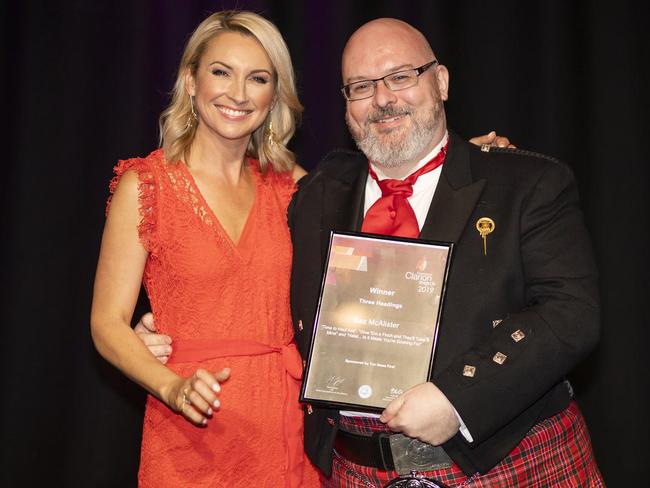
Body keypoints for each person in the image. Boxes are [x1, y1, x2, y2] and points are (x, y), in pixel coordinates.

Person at [285, 18, 605, 486]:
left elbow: (572, 313)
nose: (383, 99)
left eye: (401, 76)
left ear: (441, 81)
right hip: (359, 471)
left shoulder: (527, 184)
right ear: (345, 102)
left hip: (512, 465)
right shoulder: (315, 193)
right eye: (361, 86)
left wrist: (458, 398)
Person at [90, 10, 321, 487]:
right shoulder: (146, 185)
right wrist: (171, 388)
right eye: (221, 72)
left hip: (285, 431)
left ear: (273, 95)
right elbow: (106, 324)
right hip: (188, 439)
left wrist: (472, 159)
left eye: (257, 78)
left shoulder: (295, 189)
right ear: (191, 81)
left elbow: (384, 221)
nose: (238, 94)